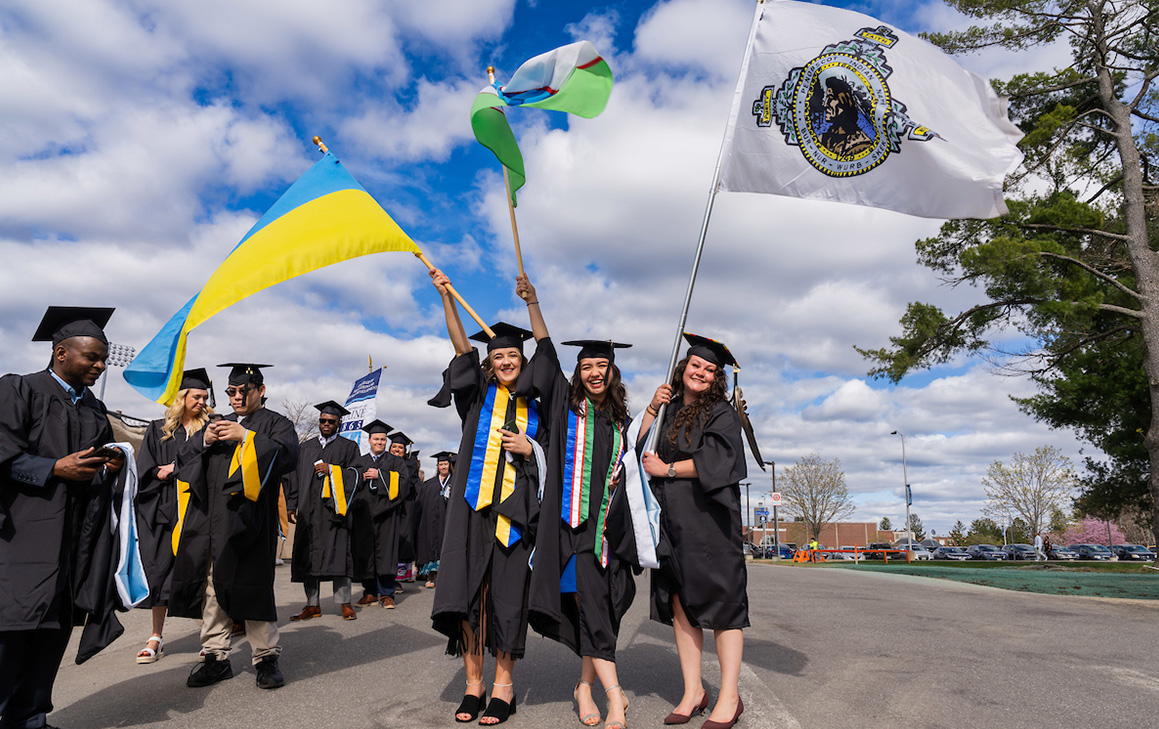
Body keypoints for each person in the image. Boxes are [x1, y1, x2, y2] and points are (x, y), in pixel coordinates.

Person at [428, 268, 550, 726]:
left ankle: (504, 686)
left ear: (522, 360)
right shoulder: (476, 398)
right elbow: (462, 347)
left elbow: (553, 460)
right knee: (468, 596)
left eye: (512, 355)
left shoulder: (537, 409)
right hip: (472, 511)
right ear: (490, 362)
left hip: (515, 517)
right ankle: (473, 685)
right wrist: (448, 299)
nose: (505, 360)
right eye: (497, 355)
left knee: (506, 598)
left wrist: (531, 448)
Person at [0, 306, 129, 729]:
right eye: (91, 357)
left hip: (74, 541)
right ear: (60, 353)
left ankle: (30, 718)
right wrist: (53, 468)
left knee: (53, 632)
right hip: (23, 538)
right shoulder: (19, 390)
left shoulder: (95, 409)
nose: (99, 365)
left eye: (104, 359)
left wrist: (110, 464)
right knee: (13, 631)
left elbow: (95, 465)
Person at [525, 309, 635, 729]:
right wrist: (533, 303)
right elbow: (545, 353)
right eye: (586, 366)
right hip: (570, 531)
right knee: (591, 607)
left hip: (608, 530)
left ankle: (583, 686)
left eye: (601, 366)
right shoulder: (562, 406)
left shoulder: (620, 420)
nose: (593, 372)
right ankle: (613, 695)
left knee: (602, 610)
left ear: (612, 372)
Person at [638, 333, 749, 729]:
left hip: (710, 523)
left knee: (722, 607)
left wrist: (668, 469)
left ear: (716, 377)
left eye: (709, 369)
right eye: (696, 365)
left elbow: (722, 460)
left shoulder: (720, 411)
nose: (700, 372)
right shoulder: (667, 410)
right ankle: (693, 692)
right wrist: (652, 407)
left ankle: (730, 698)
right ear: (683, 367)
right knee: (680, 607)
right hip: (670, 522)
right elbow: (638, 446)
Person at [168, 363, 298, 690]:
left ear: (260, 391)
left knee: (253, 583)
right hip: (212, 521)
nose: (236, 397)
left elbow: (288, 457)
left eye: (243, 391)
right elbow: (183, 460)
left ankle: (266, 658)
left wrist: (248, 437)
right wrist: (204, 441)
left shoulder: (276, 423)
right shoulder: (215, 423)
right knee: (212, 588)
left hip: (250, 521)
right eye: (231, 392)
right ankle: (215, 657)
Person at [134, 368, 214, 664]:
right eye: (197, 396)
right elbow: (146, 468)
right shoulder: (157, 429)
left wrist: (177, 468)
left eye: (205, 397)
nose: (203, 402)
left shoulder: (209, 429)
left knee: (200, 573)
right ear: (182, 397)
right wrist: (162, 471)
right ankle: (156, 636)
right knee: (160, 572)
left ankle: (209, 635)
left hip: (198, 509)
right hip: (164, 510)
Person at [287, 401, 363, 621]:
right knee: (308, 557)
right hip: (309, 512)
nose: (326, 424)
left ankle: (345, 603)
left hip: (334, 513)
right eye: (323, 420)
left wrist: (333, 470)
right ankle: (312, 605)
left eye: (331, 421)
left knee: (339, 555)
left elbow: (357, 476)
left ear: (339, 423)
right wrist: (292, 503)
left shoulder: (348, 447)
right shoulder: (306, 447)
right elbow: (294, 477)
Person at [350, 419, 409, 609]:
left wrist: (380, 476)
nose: (380, 442)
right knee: (365, 553)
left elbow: (404, 485)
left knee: (386, 554)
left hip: (387, 515)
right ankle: (369, 592)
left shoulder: (396, 462)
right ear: (369, 440)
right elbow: (351, 484)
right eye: (376, 439)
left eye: (383, 440)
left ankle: (387, 594)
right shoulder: (360, 461)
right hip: (364, 515)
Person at [415, 451, 455, 588]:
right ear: (437, 466)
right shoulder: (428, 485)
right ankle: (430, 577)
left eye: (445, 464)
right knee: (430, 544)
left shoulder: (455, 483)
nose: (443, 467)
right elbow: (420, 505)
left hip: (447, 522)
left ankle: (446, 578)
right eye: (441, 464)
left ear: (449, 465)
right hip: (430, 522)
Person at [389, 431, 419, 588]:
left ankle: (398, 577)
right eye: (394, 446)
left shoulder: (410, 465)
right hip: (388, 504)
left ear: (405, 450)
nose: (397, 450)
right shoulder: (385, 461)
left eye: (400, 447)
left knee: (401, 537)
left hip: (405, 505)